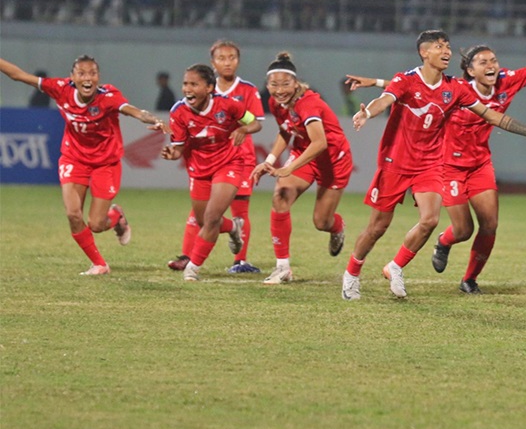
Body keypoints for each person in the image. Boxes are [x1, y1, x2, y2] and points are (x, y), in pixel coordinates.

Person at [347, 20, 526, 294]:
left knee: (488, 223)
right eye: (483, 62)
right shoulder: (457, 90)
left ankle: (467, 279)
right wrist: (372, 97)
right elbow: (410, 88)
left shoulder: (502, 82)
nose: (491, 66)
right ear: (470, 70)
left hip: (477, 164)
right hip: (447, 165)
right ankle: (375, 265)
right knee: (458, 229)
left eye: (494, 60)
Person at [0, 56, 169, 275]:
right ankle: (99, 264)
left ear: (98, 77)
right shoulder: (61, 89)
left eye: (92, 73)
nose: (87, 78)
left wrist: (153, 119)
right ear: (72, 77)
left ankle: (116, 217)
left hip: (105, 163)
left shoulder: (108, 97)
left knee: (96, 224)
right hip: (74, 159)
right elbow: (18, 75)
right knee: (73, 214)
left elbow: (133, 110)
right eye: (81, 73)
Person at [251, 52, 353, 284]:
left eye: (285, 84)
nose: (279, 90)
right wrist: (270, 160)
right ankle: (283, 268)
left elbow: (320, 143)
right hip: (304, 154)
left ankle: (337, 227)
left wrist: (289, 168)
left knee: (321, 222)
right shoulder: (275, 103)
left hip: (333, 161)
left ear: (295, 83)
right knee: (280, 197)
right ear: (267, 85)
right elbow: (285, 131)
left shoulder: (308, 104)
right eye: (274, 85)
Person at [167, 40, 265, 274]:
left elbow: (255, 122)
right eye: (221, 58)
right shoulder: (184, 105)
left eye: (232, 58)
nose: (227, 62)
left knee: (232, 209)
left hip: (235, 157)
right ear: (213, 62)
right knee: (204, 217)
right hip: (201, 163)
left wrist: (243, 129)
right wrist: (173, 151)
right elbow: (179, 142)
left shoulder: (244, 92)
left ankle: (237, 261)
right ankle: (190, 253)